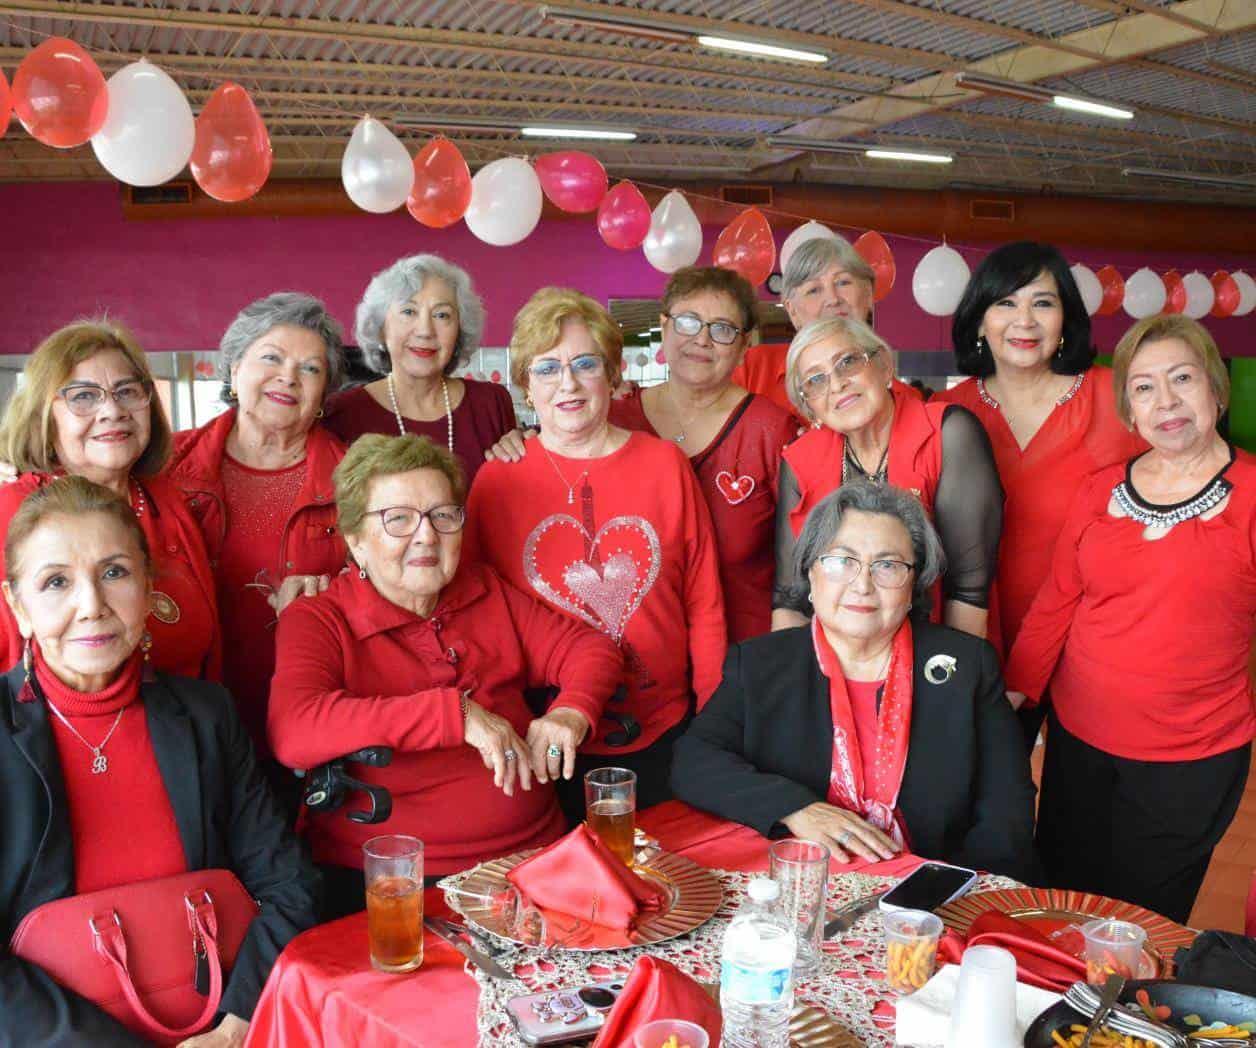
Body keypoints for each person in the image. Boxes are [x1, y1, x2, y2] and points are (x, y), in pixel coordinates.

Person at [0, 477, 318, 1047]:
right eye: (55, 582)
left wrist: (237, 1024)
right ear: (18, 607)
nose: (91, 606)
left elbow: (289, 883)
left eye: (115, 573)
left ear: (149, 590)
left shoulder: (203, 714)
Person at [268, 434, 623, 915]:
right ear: (354, 538)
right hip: (397, 886)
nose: (426, 536)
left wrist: (571, 711)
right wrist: (455, 713)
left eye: (443, 515)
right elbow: (295, 728)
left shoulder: (485, 590)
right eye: (397, 519)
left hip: (539, 860)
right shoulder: (319, 619)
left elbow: (589, 648)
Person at [1006, 314, 1256, 924]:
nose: (1165, 401)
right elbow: (1057, 602)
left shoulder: (1251, 496)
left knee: (1139, 926)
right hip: (1080, 744)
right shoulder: (1098, 490)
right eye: (1144, 387)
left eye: (1182, 379)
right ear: (1129, 410)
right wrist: (1009, 701)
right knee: (1061, 905)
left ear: (1216, 389)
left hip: (1191, 759)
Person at [673, 483, 1037, 883]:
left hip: (927, 900)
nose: (862, 584)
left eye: (887, 565)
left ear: (913, 586)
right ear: (811, 575)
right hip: (801, 883)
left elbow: (1007, 809)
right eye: (841, 561)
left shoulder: (966, 666)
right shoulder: (761, 665)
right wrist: (798, 809)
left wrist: (948, 895)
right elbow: (693, 760)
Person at [464, 288, 726, 813]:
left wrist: (715, 721)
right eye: (547, 369)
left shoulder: (664, 465)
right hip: (542, 737)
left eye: (585, 364)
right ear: (525, 386)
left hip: (666, 729)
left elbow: (703, 602)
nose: (568, 383)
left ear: (611, 375)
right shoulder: (497, 480)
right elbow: (476, 616)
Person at [937, 241, 1144, 667]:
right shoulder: (945, 416)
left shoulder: (1118, 399)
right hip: (976, 638)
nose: (1025, 321)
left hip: (1096, 638)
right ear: (979, 323)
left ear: (1065, 318)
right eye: (1006, 303)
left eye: (1043, 303)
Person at [167, 293, 348, 772]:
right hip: (187, 710)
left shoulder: (358, 479)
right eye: (271, 357)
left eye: (310, 369)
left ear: (325, 392)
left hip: (311, 717)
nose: (288, 376)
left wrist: (340, 593)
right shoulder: (165, 467)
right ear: (233, 368)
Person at [0, 320, 219, 680]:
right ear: (44, 414)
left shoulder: (169, 503)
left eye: (127, 391)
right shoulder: (14, 512)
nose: (112, 411)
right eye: (83, 396)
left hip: (186, 729)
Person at [773, 318, 1002, 640]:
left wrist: (950, 680)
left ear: (882, 364)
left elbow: (968, 588)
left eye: (847, 362)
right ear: (809, 407)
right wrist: (792, 683)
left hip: (939, 644)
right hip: (833, 655)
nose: (836, 384)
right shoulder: (800, 460)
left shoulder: (949, 433)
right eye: (815, 380)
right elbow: (789, 597)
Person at [323, 254, 517, 488]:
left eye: (442, 315)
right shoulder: (342, 414)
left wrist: (527, 448)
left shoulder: (491, 403)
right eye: (408, 312)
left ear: (460, 331)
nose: (425, 330)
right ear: (381, 328)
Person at [732, 235, 876, 418]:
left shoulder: (902, 397)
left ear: (868, 294)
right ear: (792, 310)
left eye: (843, 282)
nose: (833, 299)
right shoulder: (752, 369)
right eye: (814, 290)